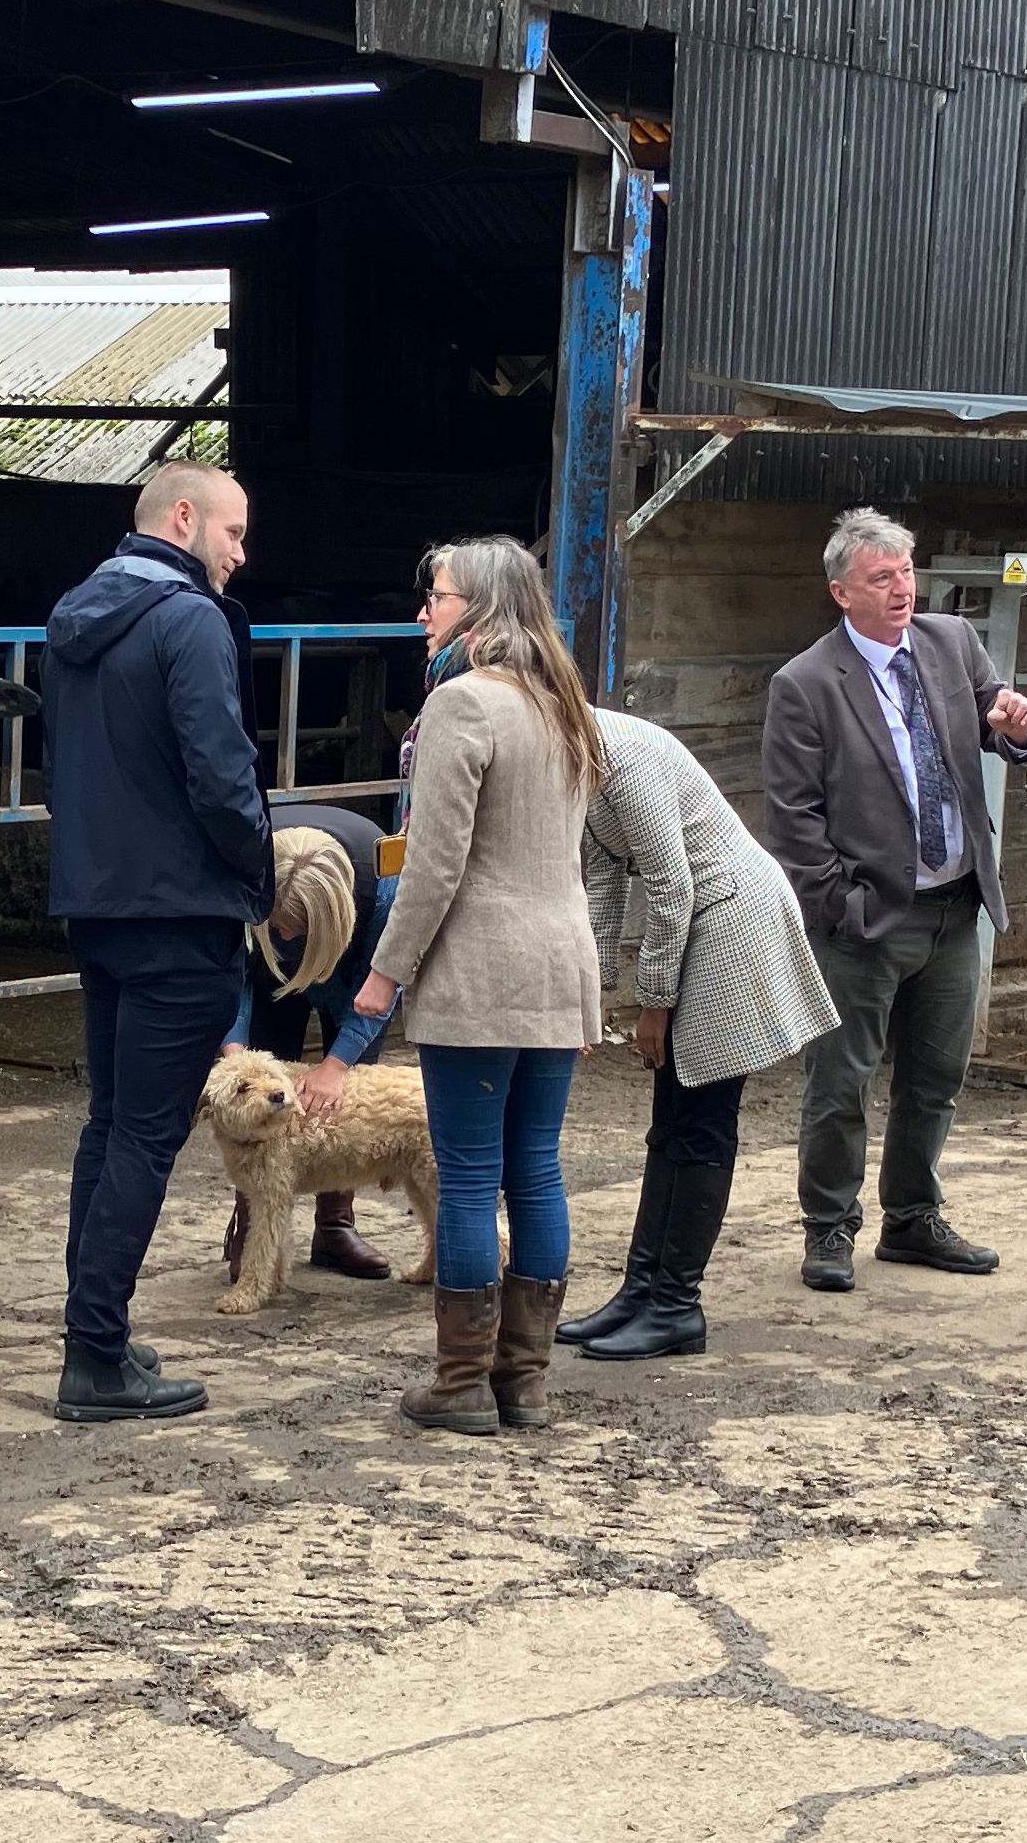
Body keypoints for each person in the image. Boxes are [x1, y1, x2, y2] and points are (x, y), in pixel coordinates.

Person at [354, 537, 601, 1435]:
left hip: (483, 967)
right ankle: (523, 1382)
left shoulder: (464, 702)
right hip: (559, 959)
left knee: (467, 1174)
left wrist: (384, 971)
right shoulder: (563, 702)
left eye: (441, 597)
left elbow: (434, 866)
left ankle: (460, 1382)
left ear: (484, 611)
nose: (426, 612)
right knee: (535, 1167)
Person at [761, 509, 1027, 1294]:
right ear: (841, 591)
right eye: (881, 578)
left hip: (955, 906)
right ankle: (828, 1226)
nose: (901, 589)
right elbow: (793, 821)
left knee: (935, 1076)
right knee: (840, 1079)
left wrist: (1018, 726)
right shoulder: (806, 683)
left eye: (907, 572)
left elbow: (1002, 724)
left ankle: (912, 1218)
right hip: (867, 918)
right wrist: (843, 908)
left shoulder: (950, 643)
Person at [44, 460, 268, 1423]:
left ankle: (94, 1330)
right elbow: (222, 774)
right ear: (185, 519)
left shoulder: (73, 618)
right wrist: (262, 875)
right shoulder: (190, 622)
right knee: (144, 1132)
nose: (240, 554)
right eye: (232, 533)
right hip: (179, 910)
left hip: (96, 904)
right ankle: (95, 1356)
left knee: (109, 1123)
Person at [559, 708, 839, 1361]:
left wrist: (653, 1002)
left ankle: (677, 1304)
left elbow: (670, 883)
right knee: (670, 1115)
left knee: (702, 1114)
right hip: (697, 921)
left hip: (729, 916)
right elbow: (599, 880)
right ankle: (641, 1289)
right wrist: (589, 996)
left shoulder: (625, 758)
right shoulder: (580, 761)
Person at [218, 807, 402, 1280]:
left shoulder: (383, 878)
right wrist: (235, 1050)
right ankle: (253, 1217)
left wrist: (337, 1065)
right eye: (277, 923)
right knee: (264, 1101)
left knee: (341, 1106)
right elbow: (226, 970)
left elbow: (386, 977)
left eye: (294, 929)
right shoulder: (244, 862)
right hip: (267, 978)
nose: (284, 935)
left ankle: (335, 1225)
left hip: (351, 979)